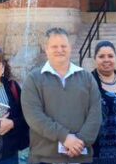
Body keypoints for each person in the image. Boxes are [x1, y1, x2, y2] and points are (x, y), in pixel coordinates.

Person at [22, 27, 102, 163]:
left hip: (80, 157)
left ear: (70, 48)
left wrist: (79, 143)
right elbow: (34, 116)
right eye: (54, 46)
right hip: (44, 158)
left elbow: (95, 114)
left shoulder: (87, 78)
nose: (60, 50)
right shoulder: (33, 79)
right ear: (46, 49)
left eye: (63, 46)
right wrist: (64, 137)